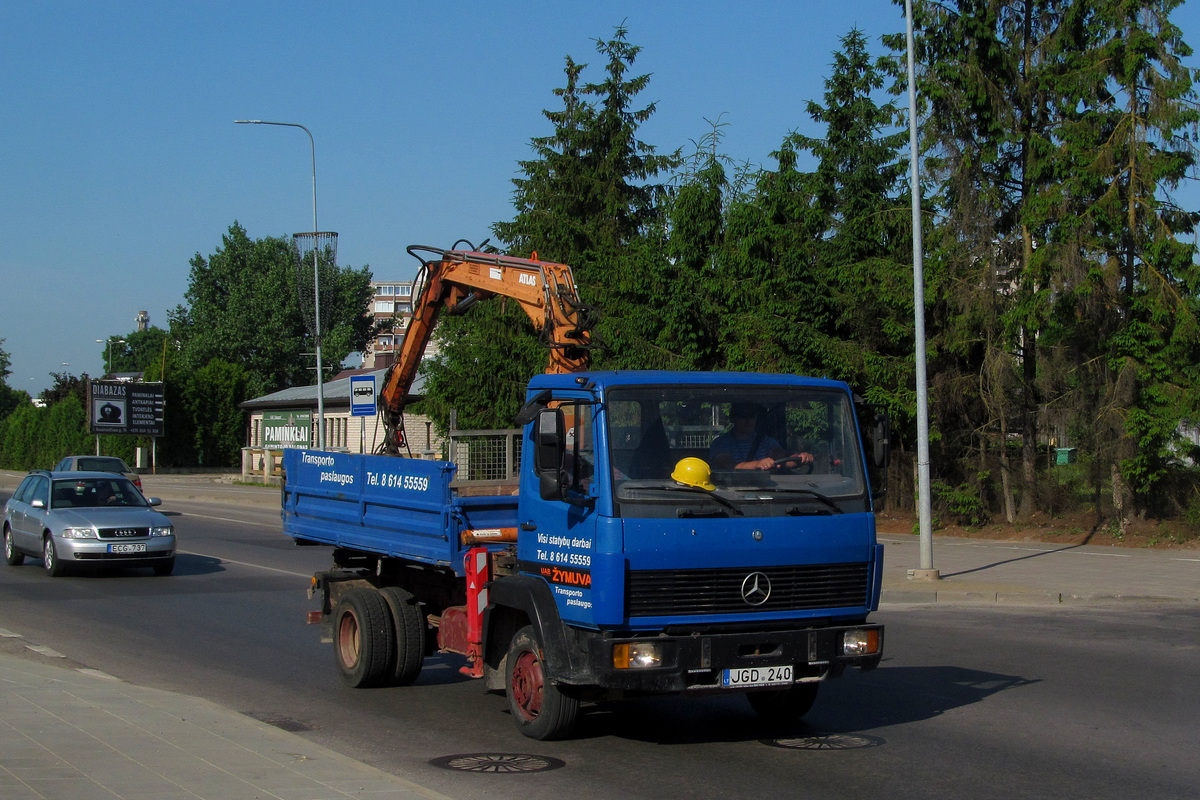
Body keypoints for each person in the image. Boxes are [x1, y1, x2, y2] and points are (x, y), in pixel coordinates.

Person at [708, 403, 813, 470]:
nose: (748, 420)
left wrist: (799, 458)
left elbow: (780, 456)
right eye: (743, 416)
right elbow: (728, 465)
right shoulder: (721, 443)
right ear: (732, 418)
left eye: (752, 416)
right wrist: (757, 464)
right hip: (731, 493)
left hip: (766, 491)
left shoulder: (765, 441)